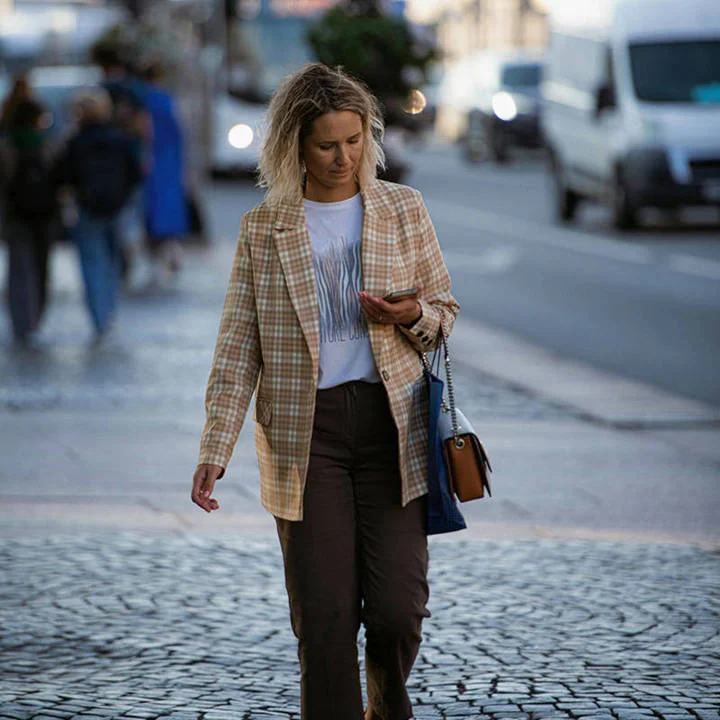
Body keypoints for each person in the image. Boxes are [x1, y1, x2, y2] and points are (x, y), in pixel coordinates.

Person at [191, 63, 459, 720]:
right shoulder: (265, 228)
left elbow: (443, 312)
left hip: (393, 429)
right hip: (306, 437)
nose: (344, 157)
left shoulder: (403, 209)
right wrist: (216, 448)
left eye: (355, 140)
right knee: (325, 618)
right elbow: (238, 345)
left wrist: (411, 316)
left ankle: (385, 707)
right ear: (295, 146)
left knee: (398, 610)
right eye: (327, 145)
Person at [55, 88, 142, 343]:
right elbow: (135, 172)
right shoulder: (120, 139)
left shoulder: (75, 142)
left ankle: (99, 316)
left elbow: (62, 175)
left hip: (87, 208)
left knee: (92, 263)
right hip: (115, 208)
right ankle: (109, 311)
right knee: (112, 260)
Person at [0, 92, 58, 347]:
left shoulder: (7, 145)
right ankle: (34, 319)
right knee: (40, 268)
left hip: (15, 215)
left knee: (19, 269)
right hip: (44, 215)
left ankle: (22, 321)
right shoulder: (48, 144)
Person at [141, 62, 189, 284]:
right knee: (168, 209)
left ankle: (157, 258)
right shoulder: (167, 101)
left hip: (151, 161)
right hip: (169, 161)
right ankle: (172, 251)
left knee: (150, 211)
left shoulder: (143, 100)